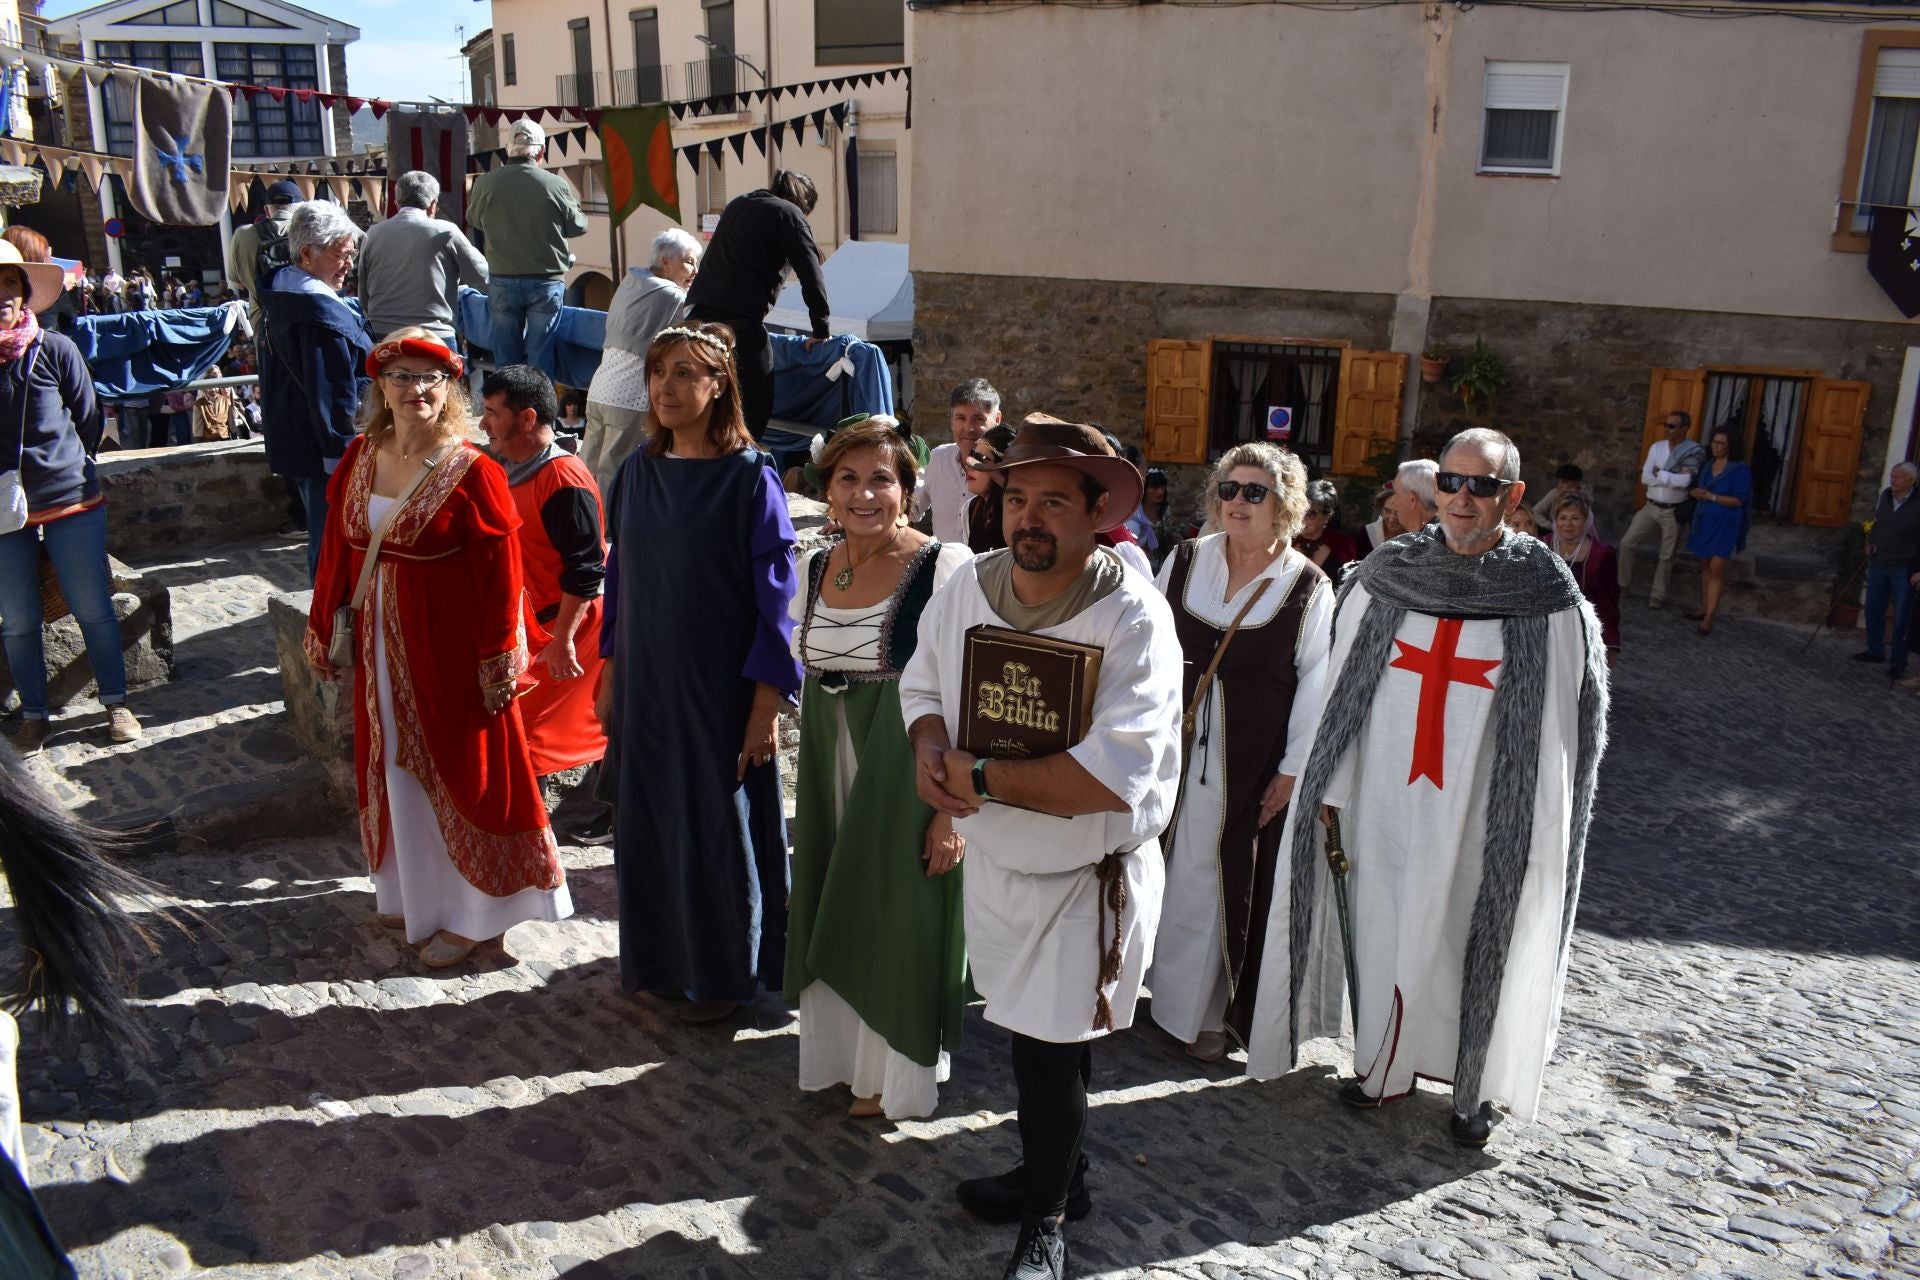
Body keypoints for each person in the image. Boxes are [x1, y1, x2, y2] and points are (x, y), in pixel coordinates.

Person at [1246, 427, 1609, 1149]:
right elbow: (1343, 693)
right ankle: (1384, 1066)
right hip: (1387, 794)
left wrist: (1538, 819)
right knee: (1384, 926)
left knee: (1475, 933)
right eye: (1451, 482)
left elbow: (1561, 727)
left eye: (1481, 485)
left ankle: (1475, 1084)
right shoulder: (1389, 574)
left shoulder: (1542, 593)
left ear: (1514, 495)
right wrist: (1332, 784)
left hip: (1486, 807)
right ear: (1434, 487)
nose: (1462, 498)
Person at [899, 414, 1182, 1280]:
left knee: (1049, 1051)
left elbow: (1113, 775)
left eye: (1054, 502)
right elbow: (925, 683)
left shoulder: (1133, 617)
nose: (1029, 517)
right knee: (1030, 1037)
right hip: (1000, 865)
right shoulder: (969, 587)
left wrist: (973, 778)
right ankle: (1061, 1171)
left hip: (1084, 873)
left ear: (1098, 513)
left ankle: (1048, 1219)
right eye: (1017, 496)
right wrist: (928, 751)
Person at [304, 330, 570, 968]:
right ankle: (417, 896)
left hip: (450, 649)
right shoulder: (361, 457)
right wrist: (323, 629)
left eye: (431, 377)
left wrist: (498, 657)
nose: (415, 389)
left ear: (449, 388)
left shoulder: (473, 469)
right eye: (401, 376)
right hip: (378, 646)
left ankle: (480, 914)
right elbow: (338, 552)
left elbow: (502, 574)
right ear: (381, 387)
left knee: (464, 771)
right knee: (394, 763)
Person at [598, 322, 802, 1022]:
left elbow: (777, 602)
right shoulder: (636, 473)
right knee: (651, 822)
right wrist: (610, 670)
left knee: (720, 827)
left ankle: (723, 974)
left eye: (688, 372)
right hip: (647, 685)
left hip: (718, 691)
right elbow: (619, 580)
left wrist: (763, 704)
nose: (668, 387)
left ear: (720, 387)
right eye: (659, 372)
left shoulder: (750, 478)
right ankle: (661, 963)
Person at [786, 419, 973, 1120]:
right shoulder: (818, 565)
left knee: (898, 910)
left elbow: (967, 693)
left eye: (882, 479)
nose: (865, 494)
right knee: (838, 894)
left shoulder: (945, 569)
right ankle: (839, 1060)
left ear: (909, 489)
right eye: (849, 479)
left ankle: (893, 1076)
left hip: (905, 768)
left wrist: (952, 812)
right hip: (829, 758)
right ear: (828, 490)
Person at [1147, 442, 1331, 1064]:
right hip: (1168, 751)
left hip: (1246, 764)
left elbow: (1317, 682)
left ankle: (1200, 1017)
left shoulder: (1306, 586)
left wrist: (1292, 770)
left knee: (1213, 878)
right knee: (1158, 869)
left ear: (1285, 505)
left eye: (1255, 492)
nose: (1238, 503)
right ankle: (1151, 994)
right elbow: (1138, 645)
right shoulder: (1182, 561)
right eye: (1229, 490)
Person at [0, 241, 141, 754]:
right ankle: (35, 714)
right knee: (17, 618)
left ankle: (116, 701)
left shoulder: (54, 348)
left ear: (24, 294)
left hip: (69, 499)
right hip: (3, 513)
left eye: (9, 286)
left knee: (93, 606)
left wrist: (61, 466)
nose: (2, 297)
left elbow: (88, 416)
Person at [478, 363, 607, 777]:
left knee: (525, 739)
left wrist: (563, 641)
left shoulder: (562, 479)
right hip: (535, 629)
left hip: (568, 629)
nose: (483, 424)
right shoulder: (511, 469)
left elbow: (586, 571)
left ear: (527, 418)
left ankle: (603, 811)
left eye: (493, 413)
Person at [260, 201, 372, 582]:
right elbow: (331, 391)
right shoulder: (314, 313)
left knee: (324, 541)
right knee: (332, 545)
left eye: (351, 255)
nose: (348, 265)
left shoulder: (286, 293)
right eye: (341, 255)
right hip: (323, 449)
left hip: (300, 438)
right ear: (308, 253)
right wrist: (340, 455)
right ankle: (330, 630)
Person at [685, 170, 831, 437]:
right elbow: (812, 276)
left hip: (695, 317)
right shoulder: (790, 213)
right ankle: (745, 461)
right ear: (804, 204)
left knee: (702, 407)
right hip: (737, 321)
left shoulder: (739, 204)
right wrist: (821, 330)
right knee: (754, 407)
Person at [580, 227, 700, 494]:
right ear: (666, 262)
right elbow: (692, 338)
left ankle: (581, 525)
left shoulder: (630, 282)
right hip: (630, 397)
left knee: (587, 466)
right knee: (615, 473)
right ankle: (607, 530)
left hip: (599, 389)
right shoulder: (674, 296)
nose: (695, 271)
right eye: (689, 262)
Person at [466, 119, 588, 373]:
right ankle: (537, 410)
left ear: (508, 150)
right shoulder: (555, 184)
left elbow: (474, 219)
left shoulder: (486, 183)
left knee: (506, 360)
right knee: (540, 360)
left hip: (502, 279)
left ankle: (508, 408)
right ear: (541, 151)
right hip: (546, 281)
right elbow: (578, 226)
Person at [356, 170, 489, 347]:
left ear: (396, 203)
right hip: (434, 335)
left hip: (384, 335)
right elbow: (482, 275)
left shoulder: (372, 234)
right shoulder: (446, 231)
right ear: (433, 205)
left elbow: (363, 292)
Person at [1618, 410, 1704, 610]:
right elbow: (1645, 478)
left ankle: (1657, 596)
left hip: (1673, 511)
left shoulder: (1692, 452)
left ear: (1684, 429)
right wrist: (1671, 476)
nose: (1667, 429)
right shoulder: (1657, 448)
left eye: (1672, 426)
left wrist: (1661, 474)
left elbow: (1686, 482)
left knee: (1666, 556)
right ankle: (1623, 587)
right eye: (1666, 425)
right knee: (1627, 543)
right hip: (1650, 506)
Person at [1853, 461, 1920, 681]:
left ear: (1911, 480)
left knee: (1902, 618)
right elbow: (1879, 522)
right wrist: (1871, 541)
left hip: (1904, 566)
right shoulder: (1887, 496)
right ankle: (1875, 650)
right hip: (1880, 561)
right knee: (1873, 607)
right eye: (1892, 477)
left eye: (1898, 478)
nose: (1893, 481)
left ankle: (1898, 663)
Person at [1684, 426, 1751, 637]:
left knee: (1717, 567)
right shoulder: (1708, 465)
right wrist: (1695, 493)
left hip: (1726, 523)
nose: (1717, 447)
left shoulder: (1740, 470)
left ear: (1731, 446)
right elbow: (1699, 488)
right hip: (1705, 520)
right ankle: (1704, 606)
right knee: (1704, 563)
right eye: (1714, 442)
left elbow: (1739, 499)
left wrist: (1712, 497)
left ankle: (1709, 617)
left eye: (1721, 444)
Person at [920, 380, 1003, 545]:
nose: (969, 428)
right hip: (942, 569)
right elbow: (910, 510)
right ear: (951, 420)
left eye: (978, 419)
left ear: (997, 419)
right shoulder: (937, 459)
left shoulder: (1006, 469)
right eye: (961, 418)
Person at [1549, 489, 1620, 661]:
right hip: (1543, 632)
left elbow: (1607, 602)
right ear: (1555, 520)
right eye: (1563, 518)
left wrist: (1610, 643)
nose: (1568, 524)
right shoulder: (1541, 545)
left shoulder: (1600, 554)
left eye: (1575, 518)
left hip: (1581, 635)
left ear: (1586, 521)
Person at [227, 180, 301, 332]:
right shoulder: (310, 233)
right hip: (304, 318)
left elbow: (237, 282)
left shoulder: (242, 235)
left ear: (266, 211)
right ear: (300, 209)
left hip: (263, 321)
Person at [964, 423, 1016, 554]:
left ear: (1001, 467)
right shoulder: (971, 508)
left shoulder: (1017, 512)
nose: (970, 465)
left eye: (979, 459)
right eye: (972, 455)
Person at [1294, 479, 1356, 576]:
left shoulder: (1343, 545)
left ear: (1328, 516)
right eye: (1300, 510)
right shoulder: (1284, 539)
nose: (1302, 517)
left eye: (1310, 513)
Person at [1531, 462, 1596, 535]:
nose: (1560, 485)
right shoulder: (1554, 494)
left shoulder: (1585, 498)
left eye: (1564, 482)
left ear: (1576, 483)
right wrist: (1552, 526)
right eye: (1559, 481)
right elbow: (1535, 512)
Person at [1387, 458, 1438, 538]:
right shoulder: (1443, 536)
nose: (1393, 501)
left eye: (1396, 493)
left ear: (1412, 500)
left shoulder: (1430, 543)